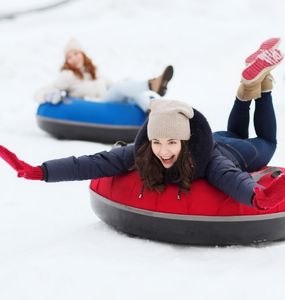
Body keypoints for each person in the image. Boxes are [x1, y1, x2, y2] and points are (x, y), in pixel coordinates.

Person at [2, 38, 285, 210]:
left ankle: (263, 88)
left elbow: (231, 179)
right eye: (158, 142)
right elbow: (91, 162)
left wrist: (256, 198)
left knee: (267, 142)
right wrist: (40, 171)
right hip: (220, 135)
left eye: (172, 143)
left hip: (234, 152)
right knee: (234, 130)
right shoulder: (143, 151)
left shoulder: (208, 160)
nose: (163, 151)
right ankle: (249, 87)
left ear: (184, 141)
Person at [34, 38, 174, 112]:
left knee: (126, 82)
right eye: (69, 57)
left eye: (76, 54)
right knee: (121, 87)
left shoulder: (94, 72)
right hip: (96, 107)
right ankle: (151, 85)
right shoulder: (68, 75)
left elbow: (115, 86)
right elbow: (39, 92)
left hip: (108, 103)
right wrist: (48, 95)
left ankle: (150, 107)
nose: (74, 58)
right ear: (66, 61)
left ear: (82, 54)